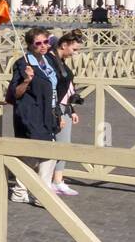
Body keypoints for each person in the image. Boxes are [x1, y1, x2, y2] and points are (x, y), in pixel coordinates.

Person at [7, 28, 64, 205]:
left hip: (48, 113)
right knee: (48, 151)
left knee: (31, 154)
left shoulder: (49, 60)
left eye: (46, 42)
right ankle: (42, 192)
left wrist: (59, 113)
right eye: (38, 43)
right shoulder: (22, 64)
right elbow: (14, 94)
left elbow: (54, 89)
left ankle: (19, 190)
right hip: (31, 114)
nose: (43, 46)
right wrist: (27, 80)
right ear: (30, 46)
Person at [49, 30, 85, 195]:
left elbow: (68, 87)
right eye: (74, 49)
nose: (75, 53)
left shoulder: (61, 61)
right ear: (64, 45)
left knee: (64, 144)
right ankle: (50, 180)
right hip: (55, 109)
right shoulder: (51, 61)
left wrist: (72, 109)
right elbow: (53, 89)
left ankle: (57, 180)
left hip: (65, 108)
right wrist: (57, 114)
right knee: (56, 145)